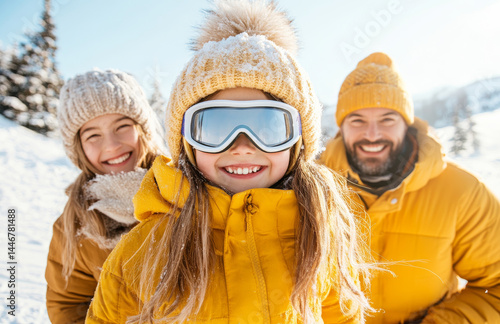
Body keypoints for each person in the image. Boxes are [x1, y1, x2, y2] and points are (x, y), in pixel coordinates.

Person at [86, 1, 375, 323]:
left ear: (298, 141)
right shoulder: (141, 251)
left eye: (268, 127)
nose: (241, 146)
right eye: (215, 128)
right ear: (186, 143)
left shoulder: (319, 235)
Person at [319, 52, 500, 323]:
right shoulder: (311, 191)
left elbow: (494, 286)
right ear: (341, 128)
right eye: (357, 120)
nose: (371, 135)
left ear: (407, 123)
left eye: (387, 119)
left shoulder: (463, 192)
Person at [45, 69, 165, 323]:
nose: (111, 145)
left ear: (143, 130)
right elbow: (68, 305)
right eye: (93, 136)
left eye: (122, 127)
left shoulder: (185, 189)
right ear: (79, 148)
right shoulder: (74, 225)